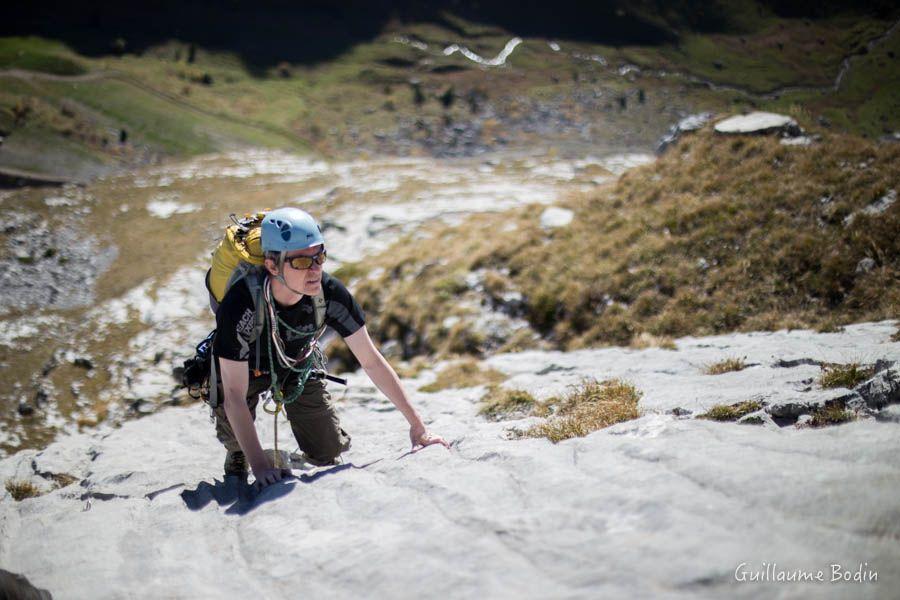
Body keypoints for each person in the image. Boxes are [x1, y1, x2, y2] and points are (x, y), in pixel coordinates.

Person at [212, 207, 449, 490]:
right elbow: (235, 396)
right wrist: (261, 467)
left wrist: (418, 428)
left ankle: (282, 451)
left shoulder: (330, 293)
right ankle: (238, 454)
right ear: (273, 266)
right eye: (300, 262)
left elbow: (371, 360)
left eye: (319, 257)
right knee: (236, 434)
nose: (314, 269)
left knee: (327, 452)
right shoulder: (241, 303)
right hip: (243, 370)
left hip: (296, 364)